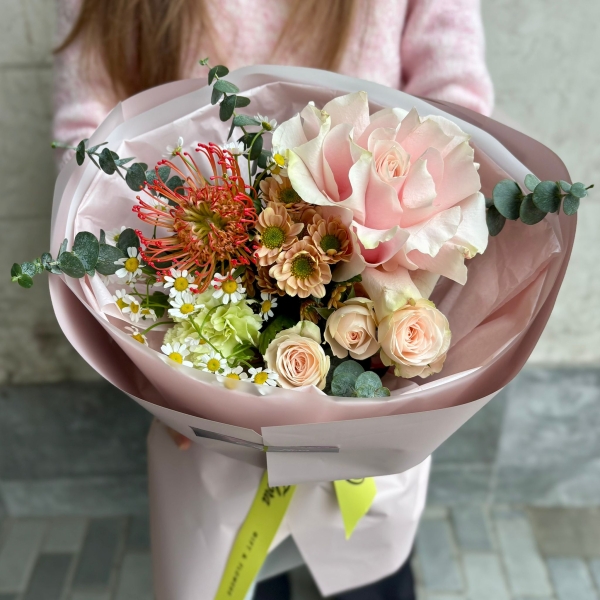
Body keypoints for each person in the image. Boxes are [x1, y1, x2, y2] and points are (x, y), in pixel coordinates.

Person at [53, 1, 493, 598]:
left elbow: (456, 106)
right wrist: (154, 363)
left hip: (381, 327)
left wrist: (406, 264)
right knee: (227, 555)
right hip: (197, 327)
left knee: (362, 568)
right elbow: (86, 145)